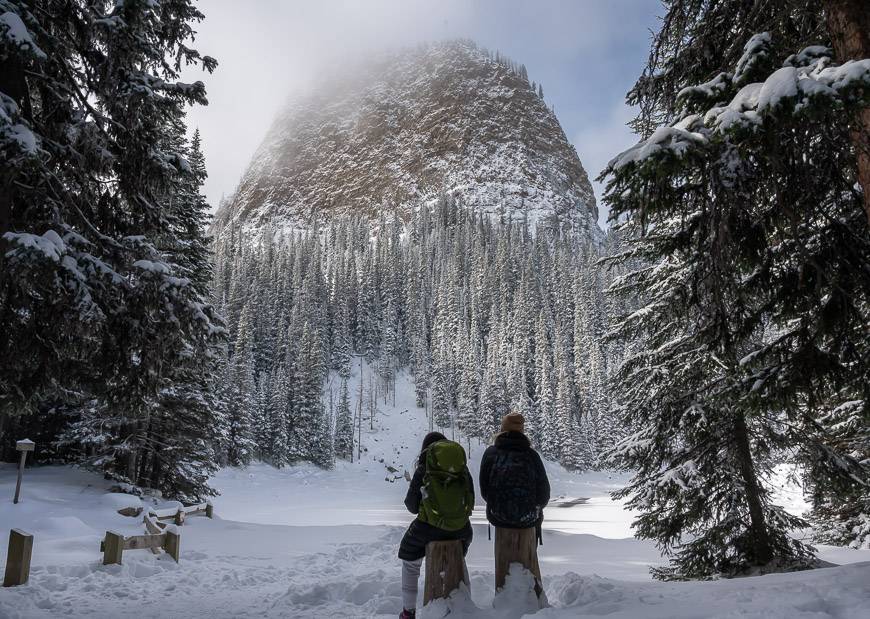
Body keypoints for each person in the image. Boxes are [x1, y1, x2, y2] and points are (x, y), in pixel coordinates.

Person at [398, 431, 475, 619]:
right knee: (458, 555)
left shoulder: (424, 469)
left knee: (409, 559)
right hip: (461, 529)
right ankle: (466, 604)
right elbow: (470, 498)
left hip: (428, 529)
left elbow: (411, 506)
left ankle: (409, 611)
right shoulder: (461, 469)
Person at [479, 413, 550, 595]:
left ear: (502, 429)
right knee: (528, 563)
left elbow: (484, 487)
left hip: (499, 518)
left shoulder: (491, 453)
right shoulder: (531, 455)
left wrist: (498, 506)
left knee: (504, 563)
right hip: (528, 521)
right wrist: (534, 509)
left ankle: (504, 598)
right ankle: (532, 598)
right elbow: (544, 491)